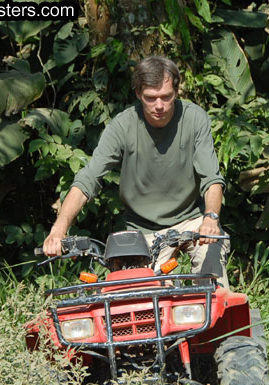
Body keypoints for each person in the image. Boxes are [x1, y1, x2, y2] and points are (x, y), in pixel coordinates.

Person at [43, 56, 230, 288]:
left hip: (192, 221)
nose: (159, 105)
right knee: (144, 298)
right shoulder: (123, 126)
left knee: (211, 273)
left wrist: (211, 218)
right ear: (138, 94)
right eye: (151, 98)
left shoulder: (194, 118)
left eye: (166, 97)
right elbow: (88, 179)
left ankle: (220, 321)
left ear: (176, 92)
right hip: (144, 231)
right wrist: (59, 230)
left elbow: (211, 178)